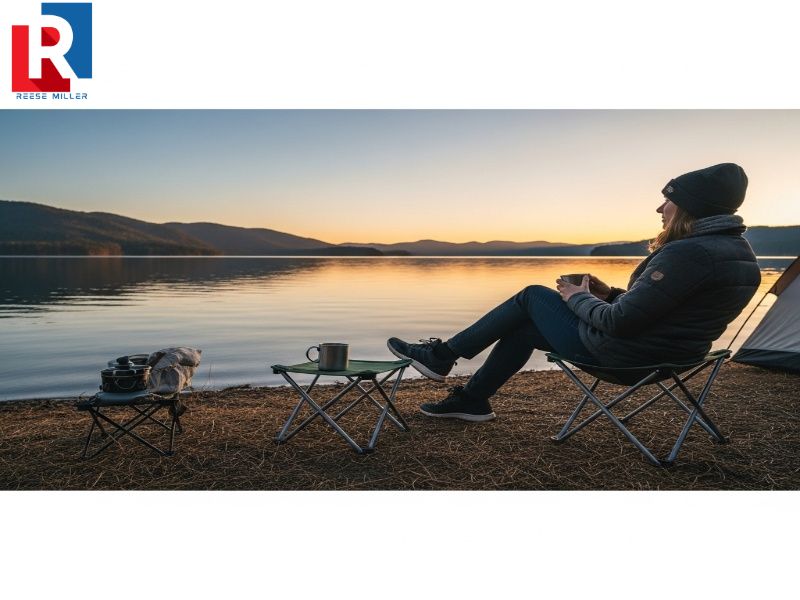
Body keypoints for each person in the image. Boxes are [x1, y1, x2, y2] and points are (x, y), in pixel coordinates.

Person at [387, 163, 762, 422]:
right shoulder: (737, 252)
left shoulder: (690, 253)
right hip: (672, 358)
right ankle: (471, 400)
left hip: (628, 358)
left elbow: (621, 324)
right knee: (525, 327)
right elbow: (663, 310)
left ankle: (441, 356)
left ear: (690, 206)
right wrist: (609, 293)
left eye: (669, 200)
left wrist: (575, 296)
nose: (660, 208)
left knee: (532, 296)